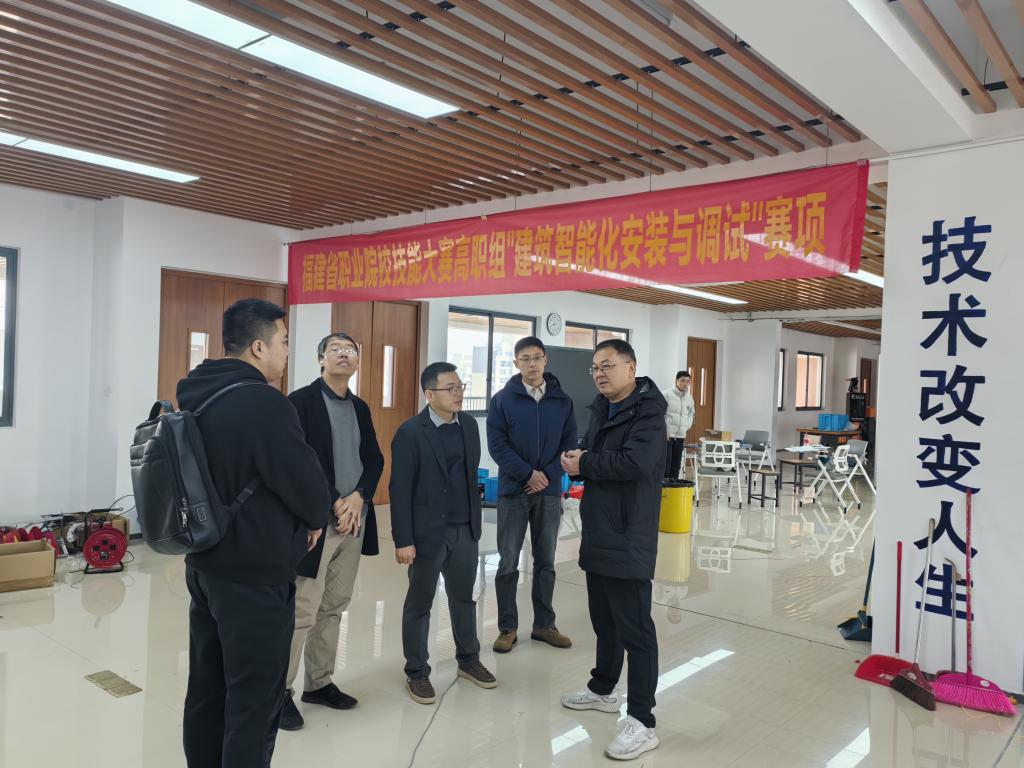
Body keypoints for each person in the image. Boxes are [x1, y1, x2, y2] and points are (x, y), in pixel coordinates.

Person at [177, 298, 331, 768]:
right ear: (259, 347)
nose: (287, 352)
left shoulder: (196, 391)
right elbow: (308, 488)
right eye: (284, 341)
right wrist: (314, 518)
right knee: (254, 703)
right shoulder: (263, 402)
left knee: (207, 689)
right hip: (255, 573)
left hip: (205, 564)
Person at [559, 339, 666, 762]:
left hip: (628, 533)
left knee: (636, 630)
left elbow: (635, 464)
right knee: (605, 621)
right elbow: (596, 455)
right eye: (595, 368)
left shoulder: (648, 414)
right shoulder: (602, 409)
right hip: (600, 529)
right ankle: (603, 689)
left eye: (607, 365)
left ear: (631, 367)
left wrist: (585, 463)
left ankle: (642, 721)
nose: (599, 374)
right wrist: (578, 461)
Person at [279, 332, 385, 731]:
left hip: (354, 520)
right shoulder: (301, 402)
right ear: (321, 359)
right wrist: (334, 503)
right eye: (335, 349)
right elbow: (298, 461)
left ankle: (319, 683)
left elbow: (374, 458)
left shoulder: (359, 407)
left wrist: (358, 497)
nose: (344, 354)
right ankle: (279, 692)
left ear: (357, 361)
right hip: (316, 523)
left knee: (335, 604)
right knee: (302, 609)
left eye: (350, 350)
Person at [390, 362, 497, 704]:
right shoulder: (410, 432)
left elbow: (469, 475)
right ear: (429, 394)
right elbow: (399, 489)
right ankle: (417, 671)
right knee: (420, 602)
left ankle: (468, 660)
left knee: (463, 597)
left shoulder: (469, 425)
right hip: (426, 533)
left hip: (465, 528)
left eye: (460, 387)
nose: (458, 394)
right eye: (450, 388)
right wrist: (404, 540)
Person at [487, 336, 576, 654]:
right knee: (508, 562)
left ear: (545, 360)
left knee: (546, 561)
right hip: (513, 491)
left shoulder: (562, 401)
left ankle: (544, 625)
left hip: (549, 491)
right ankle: (507, 628)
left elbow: (569, 444)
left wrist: (547, 475)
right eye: (525, 359)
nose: (532, 363)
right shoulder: (502, 400)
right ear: (516, 363)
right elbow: (497, 446)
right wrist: (528, 474)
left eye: (537, 357)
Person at [663, 370, 695, 479]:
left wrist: (686, 426)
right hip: (667, 435)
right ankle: (664, 487)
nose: (685, 384)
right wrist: (664, 430)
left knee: (676, 465)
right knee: (666, 465)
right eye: (682, 381)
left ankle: (674, 487)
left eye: (688, 381)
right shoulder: (666, 394)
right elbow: (659, 414)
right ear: (676, 381)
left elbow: (691, 414)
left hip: (681, 436)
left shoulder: (689, 398)